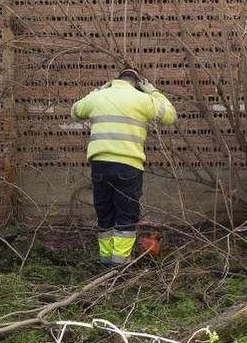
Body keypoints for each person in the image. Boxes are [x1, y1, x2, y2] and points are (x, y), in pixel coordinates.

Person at [71, 69, 177, 266]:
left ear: (115, 81)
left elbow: (75, 111)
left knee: (105, 214)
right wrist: (152, 91)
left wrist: (97, 90)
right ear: (136, 83)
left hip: (100, 165)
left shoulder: (99, 96)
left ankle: (106, 262)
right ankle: (120, 265)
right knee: (126, 216)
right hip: (129, 165)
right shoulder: (142, 99)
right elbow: (170, 115)